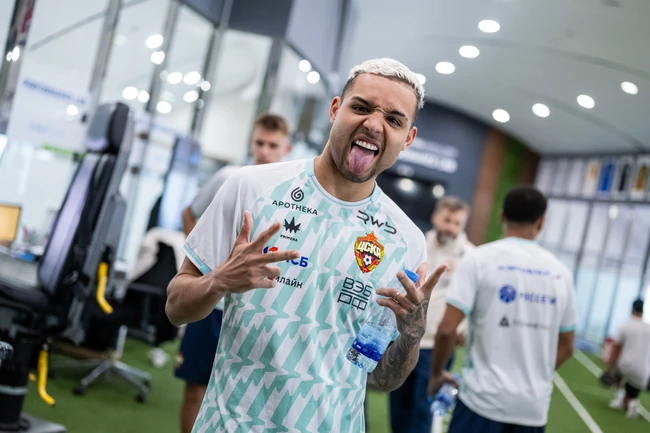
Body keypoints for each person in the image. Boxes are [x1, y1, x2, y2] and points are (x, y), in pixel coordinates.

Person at [166, 58, 449, 433]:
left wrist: (411, 332)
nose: (373, 124)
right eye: (361, 107)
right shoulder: (250, 187)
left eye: (394, 120)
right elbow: (175, 307)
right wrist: (217, 281)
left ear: (407, 139)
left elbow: (382, 379)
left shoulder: (406, 240)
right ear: (335, 109)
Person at [174, 113, 292, 433]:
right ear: (251, 143)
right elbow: (189, 214)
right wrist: (207, 268)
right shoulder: (231, 177)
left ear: (286, 148)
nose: (264, 151)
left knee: (251, 401)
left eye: (272, 145)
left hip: (260, 311)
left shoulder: (292, 193)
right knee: (196, 389)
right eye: (259, 143)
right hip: (213, 305)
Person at [428, 186, 577, 433]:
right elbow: (567, 346)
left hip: (480, 402)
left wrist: (436, 373)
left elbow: (446, 329)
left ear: (501, 216)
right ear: (541, 222)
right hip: (532, 410)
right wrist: (534, 377)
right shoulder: (562, 273)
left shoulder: (478, 260)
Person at [389, 196, 474, 433]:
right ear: (435, 217)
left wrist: (463, 329)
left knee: (422, 411)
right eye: (447, 220)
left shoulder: (470, 256)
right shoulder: (417, 244)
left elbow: (474, 300)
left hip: (436, 346)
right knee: (398, 406)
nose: (451, 228)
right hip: (404, 339)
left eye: (457, 223)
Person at [607, 298, 650, 418]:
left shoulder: (625, 325)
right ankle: (631, 402)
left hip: (625, 366)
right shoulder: (648, 327)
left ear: (632, 309)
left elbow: (616, 348)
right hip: (643, 371)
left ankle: (620, 398)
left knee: (618, 373)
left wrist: (610, 366)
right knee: (632, 393)